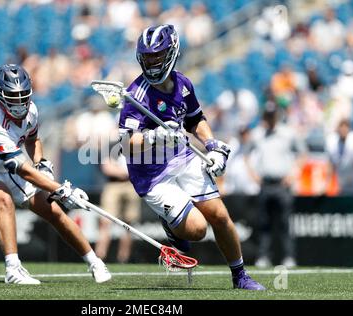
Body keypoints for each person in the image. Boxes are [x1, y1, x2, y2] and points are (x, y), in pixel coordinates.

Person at [118, 24, 265, 290]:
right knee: (197, 230)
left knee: (220, 216)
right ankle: (171, 227)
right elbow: (127, 145)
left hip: (183, 158)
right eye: (147, 57)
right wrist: (155, 138)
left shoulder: (183, 84)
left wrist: (212, 145)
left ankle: (240, 276)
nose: (152, 62)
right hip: (151, 176)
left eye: (157, 56)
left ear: (172, 52)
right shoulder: (136, 95)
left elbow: (195, 120)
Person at [0, 64, 111, 285]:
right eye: (13, 96)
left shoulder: (32, 111)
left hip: (9, 169)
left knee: (54, 212)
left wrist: (41, 162)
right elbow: (22, 170)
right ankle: (13, 270)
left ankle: (95, 262)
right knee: (3, 200)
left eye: (23, 95)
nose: (20, 102)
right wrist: (61, 188)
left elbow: (33, 140)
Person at [248, 105, 305, 268]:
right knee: (263, 223)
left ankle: (289, 256)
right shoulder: (258, 134)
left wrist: (293, 174)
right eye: (268, 116)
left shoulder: (288, 133)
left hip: (282, 184)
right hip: (265, 184)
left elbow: (302, 153)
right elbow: (246, 154)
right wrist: (253, 175)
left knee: (284, 223)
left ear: (277, 116)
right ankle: (263, 256)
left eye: (272, 116)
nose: (270, 119)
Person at [96, 149, 141, 263]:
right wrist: (128, 171)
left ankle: (123, 258)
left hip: (131, 185)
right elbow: (108, 168)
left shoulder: (137, 145)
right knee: (105, 221)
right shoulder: (112, 144)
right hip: (113, 185)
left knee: (129, 224)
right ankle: (99, 257)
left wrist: (122, 170)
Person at [325, 119, 353, 195]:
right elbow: (330, 164)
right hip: (340, 180)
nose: (343, 130)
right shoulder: (332, 140)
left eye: (345, 127)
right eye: (341, 127)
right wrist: (326, 184)